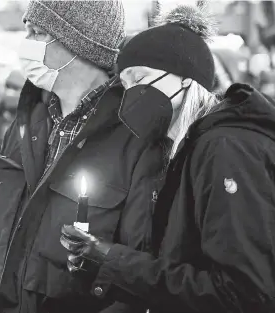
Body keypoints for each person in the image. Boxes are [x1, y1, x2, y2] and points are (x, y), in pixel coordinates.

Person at [0, 1, 175, 313]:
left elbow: (137, 267)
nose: (25, 44)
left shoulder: (135, 138)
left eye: (37, 33)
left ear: (78, 43)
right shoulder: (28, 123)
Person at [61, 4, 275, 313]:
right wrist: (104, 266)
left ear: (187, 79)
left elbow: (243, 294)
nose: (132, 92)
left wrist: (114, 261)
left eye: (141, 77)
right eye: (126, 84)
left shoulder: (225, 149)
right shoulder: (182, 151)